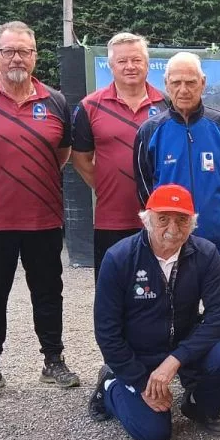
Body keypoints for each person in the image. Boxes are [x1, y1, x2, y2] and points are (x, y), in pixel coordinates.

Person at [0, 21, 78, 399]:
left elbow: (62, 153)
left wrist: (30, 179)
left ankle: (53, 360)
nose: (17, 57)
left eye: (24, 50)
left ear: (35, 55)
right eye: (8, 51)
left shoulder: (55, 100)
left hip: (43, 216)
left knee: (48, 290)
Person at [132, 52, 220, 403]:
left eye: (191, 81)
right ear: (166, 86)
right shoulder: (151, 131)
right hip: (172, 246)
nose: (183, 88)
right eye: (176, 82)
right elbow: (145, 189)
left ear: (203, 84)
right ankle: (179, 374)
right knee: (175, 311)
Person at [88, 185, 220, 440]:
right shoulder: (119, 258)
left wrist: (174, 361)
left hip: (182, 349)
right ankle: (111, 386)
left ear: (192, 223)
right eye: (163, 219)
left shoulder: (205, 254)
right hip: (138, 355)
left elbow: (219, 317)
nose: (173, 228)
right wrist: (140, 382)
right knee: (154, 435)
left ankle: (198, 406)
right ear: (147, 219)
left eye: (182, 219)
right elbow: (107, 332)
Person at [72, 33, 167, 279]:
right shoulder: (89, 106)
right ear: (110, 66)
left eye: (136, 60)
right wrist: (106, 186)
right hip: (110, 220)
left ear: (147, 64)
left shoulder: (168, 105)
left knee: (160, 294)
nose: (130, 66)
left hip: (161, 219)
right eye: (122, 61)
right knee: (111, 294)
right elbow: (81, 159)